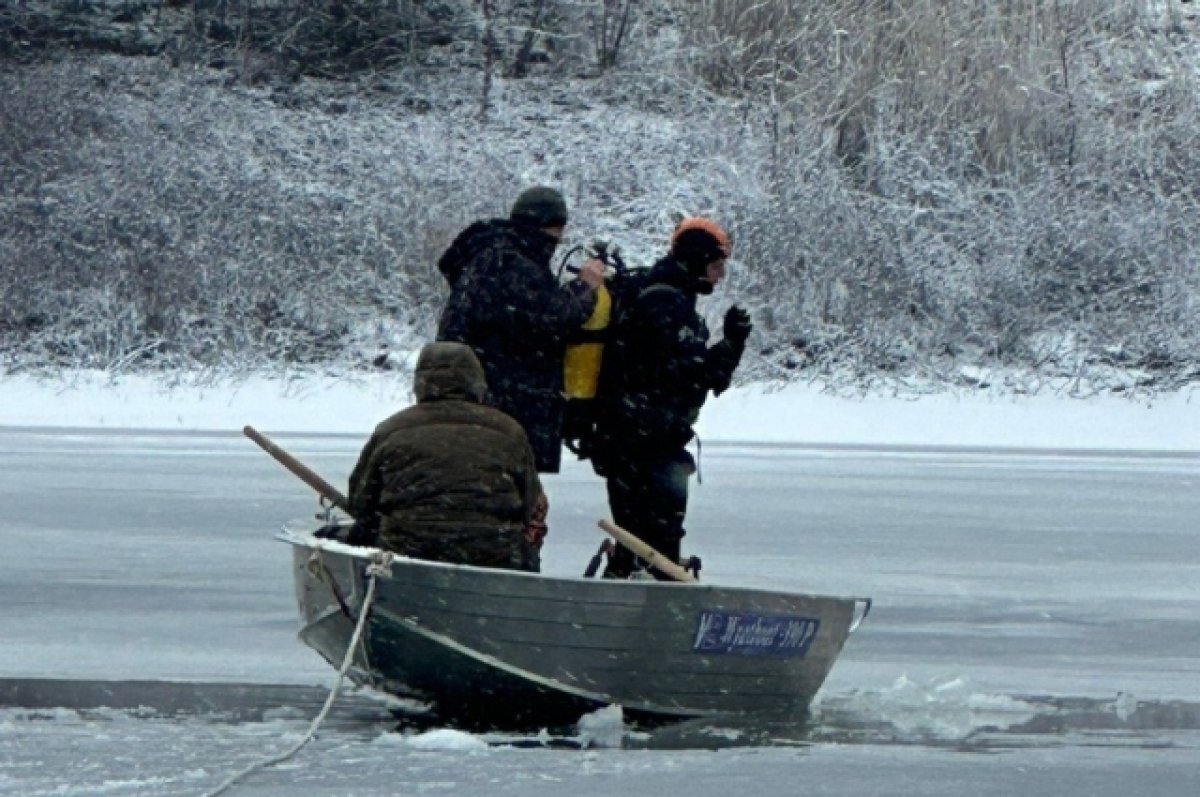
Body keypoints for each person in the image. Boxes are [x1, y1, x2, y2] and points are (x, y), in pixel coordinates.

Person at [591, 217, 753, 579]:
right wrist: (730, 345)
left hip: (632, 440)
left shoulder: (661, 294)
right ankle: (643, 605)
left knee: (640, 540)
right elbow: (690, 374)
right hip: (644, 443)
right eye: (715, 266)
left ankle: (630, 589)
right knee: (652, 542)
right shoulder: (664, 301)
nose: (719, 276)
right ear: (696, 261)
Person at [436, 186, 606, 473]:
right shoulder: (511, 263)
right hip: (505, 407)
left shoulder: (489, 257)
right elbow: (553, 319)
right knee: (506, 493)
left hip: (472, 401)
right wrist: (584, 286)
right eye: (558, 230)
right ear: (549, 226)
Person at [346, 341, 549, 572]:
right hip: (494, 556)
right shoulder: (509, 430)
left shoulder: (391, 430)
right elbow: (533, 506)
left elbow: (361, 502)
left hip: (407, 553)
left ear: (420, 383)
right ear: (477, 381)